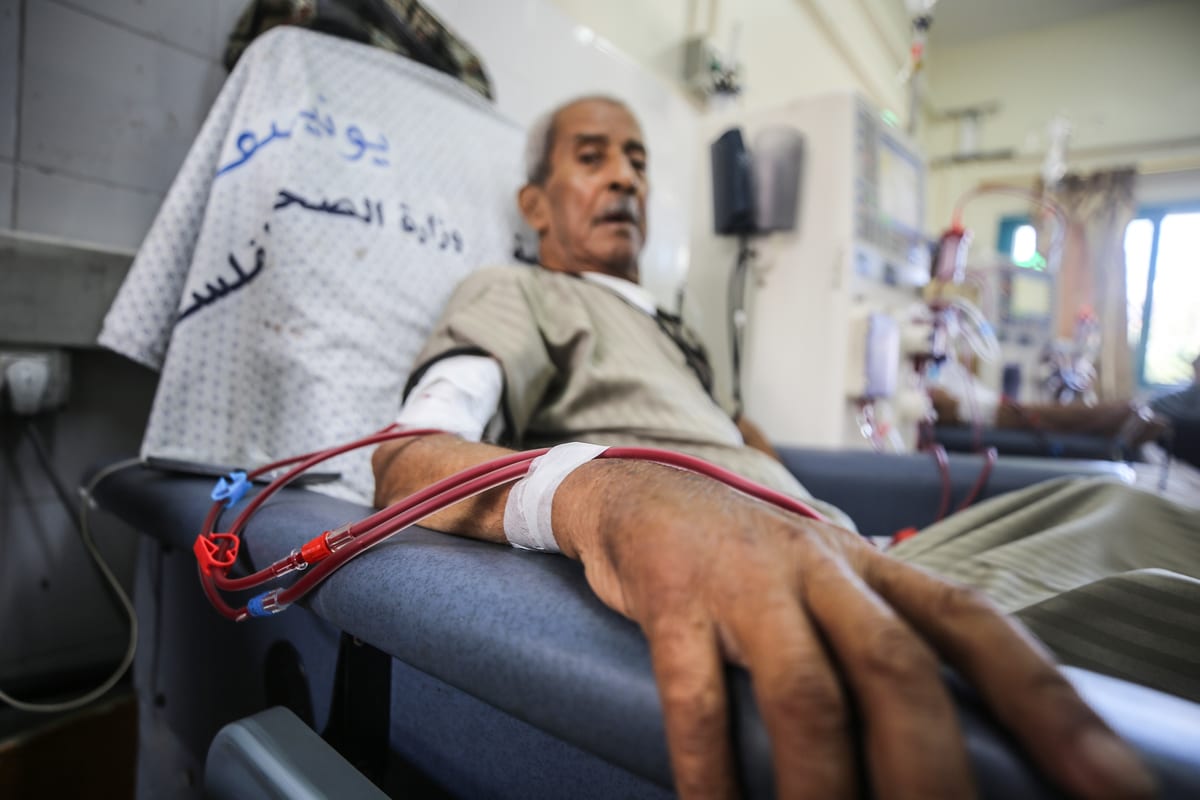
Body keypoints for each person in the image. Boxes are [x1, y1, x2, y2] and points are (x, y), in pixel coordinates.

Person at [372, 96, 1164, 799]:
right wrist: (606, 497)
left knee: (1121, 501)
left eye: (638, 161)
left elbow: (735, 435)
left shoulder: (670, 331)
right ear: (535, 205)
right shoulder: (517, 294)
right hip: (783, 574)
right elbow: (407, 458)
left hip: (846, 541)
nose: (625, 179)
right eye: (592, 157)